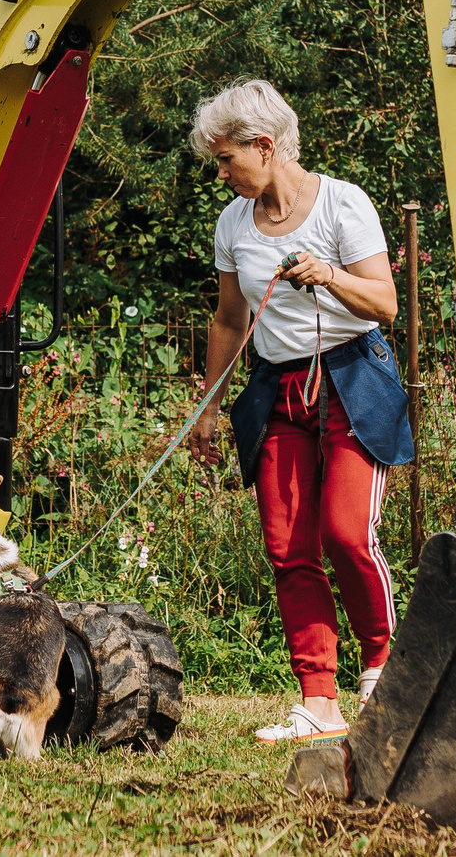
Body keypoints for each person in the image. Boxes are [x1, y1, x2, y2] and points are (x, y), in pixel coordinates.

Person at [184, 79, 414, 744]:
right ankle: (319, 701)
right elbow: (229, 322)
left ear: (264, 145)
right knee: (289, 547)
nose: (221, 174)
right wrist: (208, 407)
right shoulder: (233, 223)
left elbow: (385, 305)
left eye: (226, 159)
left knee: (346, 533)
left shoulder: (343, 203)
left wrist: (330, 275)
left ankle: (384, 670)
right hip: (276, 388)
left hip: (352, 379)